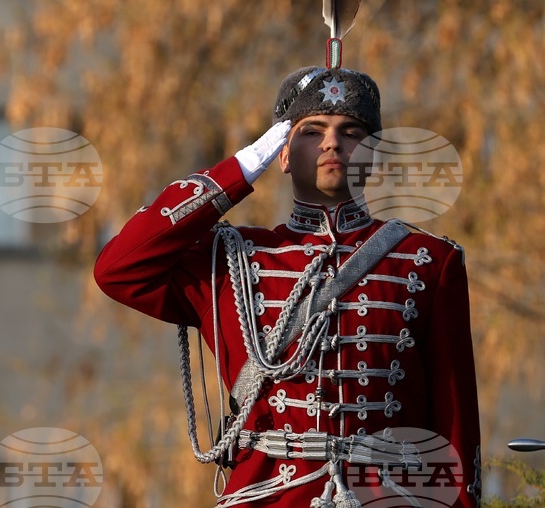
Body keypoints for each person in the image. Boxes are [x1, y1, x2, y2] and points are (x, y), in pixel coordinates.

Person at [93, 67, 481, 507]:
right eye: (311, 131)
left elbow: (455, 427)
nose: (332, 143)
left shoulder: (429, 261)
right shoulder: (230, 259)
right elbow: (118, 268)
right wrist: (238, 170)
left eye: (352, 131)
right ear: (280, 153)